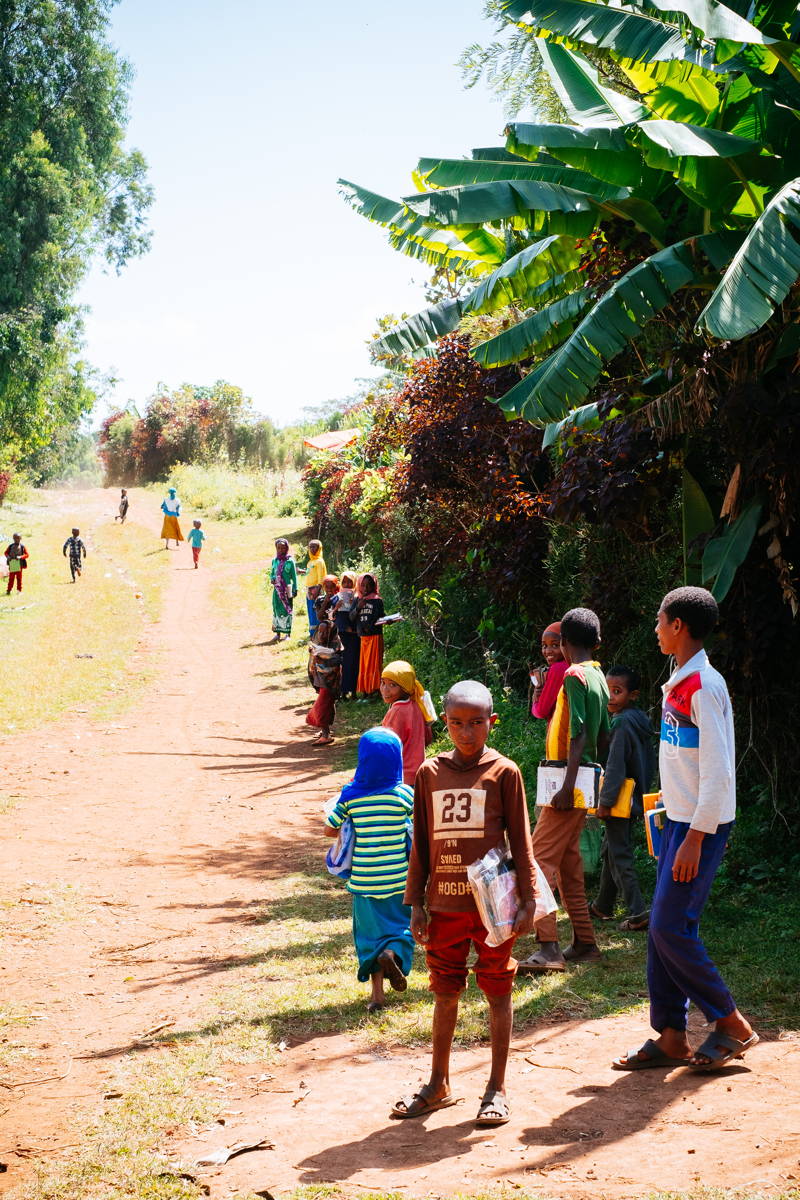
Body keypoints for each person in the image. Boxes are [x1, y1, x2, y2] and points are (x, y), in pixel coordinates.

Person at [613, 587, 758, 1072]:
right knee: (663, 929)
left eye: (660, 620)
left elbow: (718, 773)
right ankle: (672, 1035)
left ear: (679, 626)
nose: (655, 628)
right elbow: (683, 761)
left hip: (702, 825)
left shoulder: (704, 685)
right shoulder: (679, 679)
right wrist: (667, 822)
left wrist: (695, 836)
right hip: (677, 822)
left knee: (668, 926)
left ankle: (730, 1021)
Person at [394, 680, 538, 1127]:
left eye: (476, 723)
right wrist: (415, 901)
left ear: (491, 722)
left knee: (497, 990)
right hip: (444, 907)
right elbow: (420, 843)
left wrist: (529, 900)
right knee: (444, 992)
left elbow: (522, 840)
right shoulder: (429, 774)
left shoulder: (505, 772)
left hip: (494, 910)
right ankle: (439, 1083)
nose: (466, 733)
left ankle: (496, 1087)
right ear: (446, 724)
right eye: (456, 724)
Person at [518, 607, 610, 974]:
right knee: (569, 864)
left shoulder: (573, 674)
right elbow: (604, 735)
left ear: (566, 644)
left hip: (566, 783)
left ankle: (548, 947)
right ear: (598, 642)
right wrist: (592, 779)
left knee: (537, 862)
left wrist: (568, 786)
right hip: (585, 778)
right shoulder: (599, 675)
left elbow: (581, 733)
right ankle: (585, 942)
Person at [324, 727, 415, 1013]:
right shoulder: (404, 795)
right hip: (399, 879)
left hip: (364, 881)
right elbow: (420, 829)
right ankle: (393, 953)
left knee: (368, 936)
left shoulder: (351, 795)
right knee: (402, 928)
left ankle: (377, 996)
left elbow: (330, 829)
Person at [590, 665, 653, 931]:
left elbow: (615, 766)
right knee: (611, 848)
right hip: (637, 796)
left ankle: (637, 912)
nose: (611, 697)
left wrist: (604, 802)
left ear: (633, 694)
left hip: (619, 799)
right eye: (608, 691)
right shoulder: (640, 721)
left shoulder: (621, 723)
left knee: (620, 854)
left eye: (618, 691)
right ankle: (602, 905)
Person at [380, 660, 434, 785]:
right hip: (417, 774)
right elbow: (428, 739)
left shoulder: (398, 711)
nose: (385, 689)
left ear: (405, 689)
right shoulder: (417, 706)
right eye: (383, 683)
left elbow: (387, 747)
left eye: (392, 685)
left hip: (399, 776)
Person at [306, 608, 342, 746]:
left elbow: (337, 662)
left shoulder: (336, 645)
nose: (322, 634)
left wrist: (325, 656)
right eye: (320, 631)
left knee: (322, 706)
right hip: (320, 680)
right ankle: (325, 732)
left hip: (330, 681)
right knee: (327, 706)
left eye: (325, 631)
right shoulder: (319, 644)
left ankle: (326, 734)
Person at [531, 621, 568, 725]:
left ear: (565, 644)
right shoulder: (582, 665)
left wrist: (535, 701)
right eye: (544, 646)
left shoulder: (558, 668)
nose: (548, 651)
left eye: (555, 645)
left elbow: (541, 712)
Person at [355, 572, 384, 698]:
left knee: (375, 664)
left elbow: (380, 616)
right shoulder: (357, 600)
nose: (365, 589)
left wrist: (388, 620)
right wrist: (358, 608)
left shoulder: (377, 601)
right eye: (363, 585)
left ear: (374, 586)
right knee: (364, 665)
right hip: (363, 638)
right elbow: (351, 617)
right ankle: (365, 691)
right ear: (359, 586)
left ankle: (376, 690)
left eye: (369, 585)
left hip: (375, 636)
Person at [333, 571, 360, 699]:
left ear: (355, 582)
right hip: (343, 634)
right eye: (344, 581)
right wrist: (336, 608)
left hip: (354, 635)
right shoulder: (337, 597)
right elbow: (330, 616)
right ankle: (343, 692)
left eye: (350, 581)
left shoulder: (357, 597)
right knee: (343, 662)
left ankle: (353, 691)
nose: (347, 584)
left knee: (354, 662)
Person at [269, 538, 298, 642]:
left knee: (287, 610)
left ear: (287, 548)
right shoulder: (274, 561)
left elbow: (294, 577)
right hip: (277, 590)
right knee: (276, 609)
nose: (281, 550)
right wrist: (272, 579)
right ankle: (277, 633)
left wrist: (295, 589)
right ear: (276, 548)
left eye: (283, 548)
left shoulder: (290, 561)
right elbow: (272, 573)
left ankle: (287, 634)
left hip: (287, 590)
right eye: (279, 548)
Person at [302, 539, 326, 636]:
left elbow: (321, 576)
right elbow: (309, 572)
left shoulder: (320, 561)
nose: (312, 549)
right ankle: (312, 632)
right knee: (310, 610)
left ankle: (318, 632)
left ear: (319, 548)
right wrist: (302, 571)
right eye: (310, 547)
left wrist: (318, 589)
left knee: (317, 611)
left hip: (316, 590)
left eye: (314, 546)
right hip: (309, 589)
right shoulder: (310, 562)